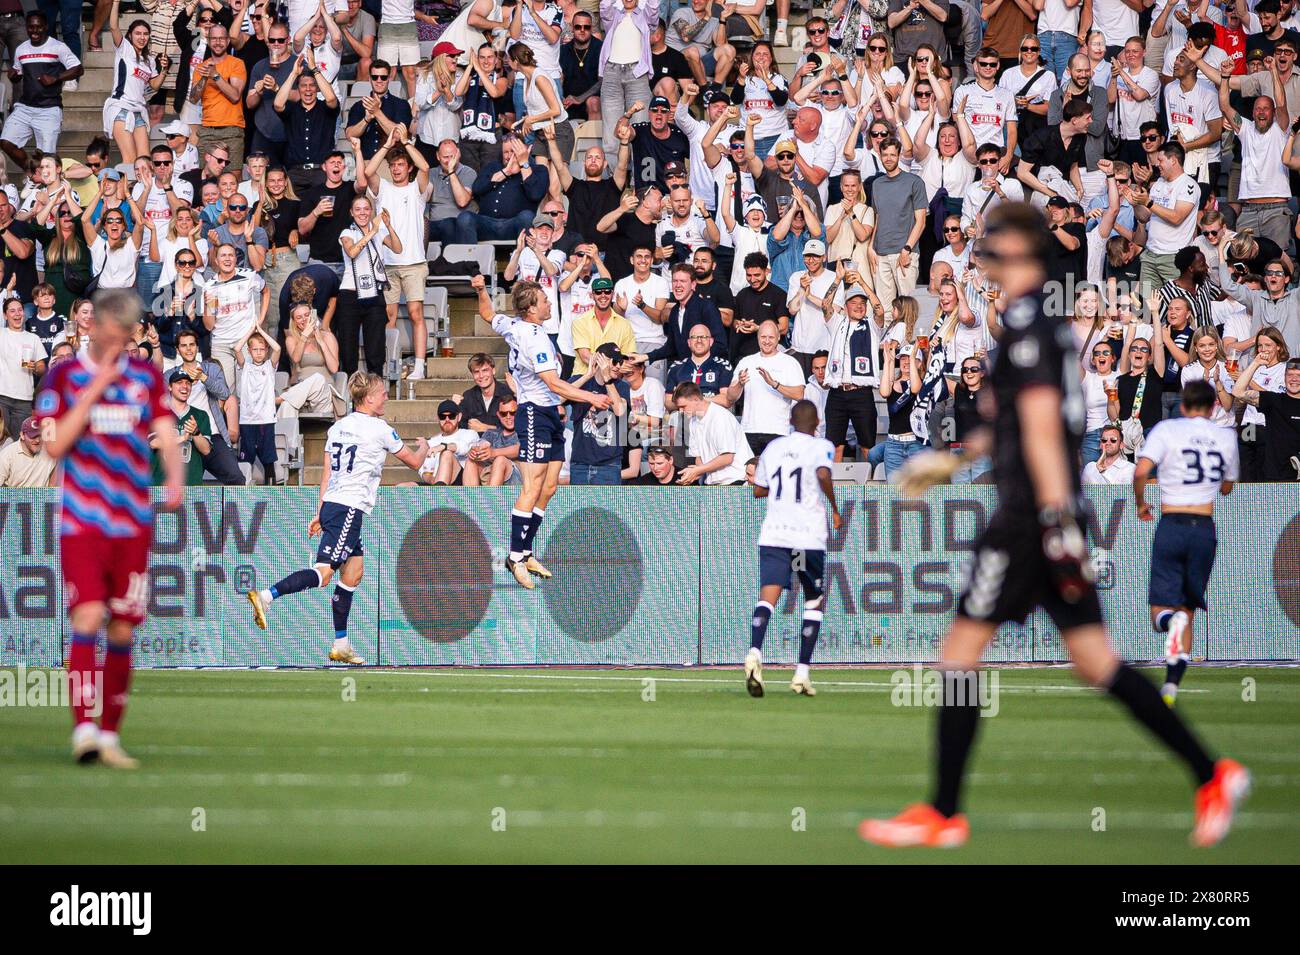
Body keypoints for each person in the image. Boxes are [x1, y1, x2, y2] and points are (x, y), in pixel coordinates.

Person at [860, 203, 1249, 850]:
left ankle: (943, 812)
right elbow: (1019, 423)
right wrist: (953, 459)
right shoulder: (1040, 324)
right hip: (1046, 513)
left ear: (1026, 258)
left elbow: (1041, 429)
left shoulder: (1027, 325)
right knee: (1095, 662)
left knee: (960, 652)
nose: (984, 266)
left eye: (993, 255)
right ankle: (1213, 773)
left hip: (1028, 518)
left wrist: (1054, 517)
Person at [37, 289, 182, 768]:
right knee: (88, 617)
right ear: (94, 327)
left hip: (133, 521)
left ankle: (110, 736)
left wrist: (175, 476)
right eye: (115, 335)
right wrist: (96, 387)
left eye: (129, 336)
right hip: (83, 520)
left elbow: (165, 426)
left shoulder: (144, 375)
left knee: (122, 628)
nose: (122, 344)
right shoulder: (64, 376)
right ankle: (83, 729)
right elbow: (54, 446)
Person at [247, 371, 428, 662]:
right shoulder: (380, 428)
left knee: (354, 572)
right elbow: (416, 462)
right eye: (382, 392)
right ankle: (267, 596)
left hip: (335, 504)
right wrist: (427, 446)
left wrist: (320, 510)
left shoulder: (338, 427)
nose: (385, 397)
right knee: (324, 574)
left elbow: (328, 472)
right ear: (368, 398)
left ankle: (341, 644)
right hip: (350, 508)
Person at [473, 272, 612, 589]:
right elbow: (551, 383)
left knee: (549, 488)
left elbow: (487, 313)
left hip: (550, 413)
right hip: (534, 413)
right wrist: (591, 395)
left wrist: (481, 289)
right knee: (532, 486)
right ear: (532, 308)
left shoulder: (515, 326)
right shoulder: (534, 339)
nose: (550, 302)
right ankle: (515, 557)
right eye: (545, 299)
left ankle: (526, 550)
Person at [1134, 380, 1239, 708]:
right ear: (1213, 407)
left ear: (1183, 405)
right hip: (1204, 528)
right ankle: (1171, 687)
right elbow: (1228, 485)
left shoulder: (1167, 429)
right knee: (1187, 610)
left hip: (1173, 523)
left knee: (1160, 613)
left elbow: (1140, 472)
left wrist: (1140, 503)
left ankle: (1169, 623)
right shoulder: (1226, 436)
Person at [745, 399, 841, 698]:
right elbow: (823, 475)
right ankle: (801, 672)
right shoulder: (822, 445)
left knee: (768, 596)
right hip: (807, 535)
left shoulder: (773, 449)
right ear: (817, 422)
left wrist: (782, 488)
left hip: (775, 532)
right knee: (813, 601)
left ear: (790, 419)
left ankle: (754, 651)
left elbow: (759, 490)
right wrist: (835, 508)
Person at [359, 127, 432, 380]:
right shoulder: (384, 190)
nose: (396, 169)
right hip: (387, 263)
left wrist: (408, 142)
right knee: (387, 315)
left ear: (407, 167)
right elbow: (368, 172)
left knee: (415, 313)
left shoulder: (416, 190)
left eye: (401, 165)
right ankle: (388, 366)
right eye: (394, 165)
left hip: (414, 262)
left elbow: (425, 168)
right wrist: (388, 146)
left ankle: (420, 366)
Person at [1, 13, 83, 171]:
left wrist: (56, 78)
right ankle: (32, 173)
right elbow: (18, 74)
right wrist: (13, 76)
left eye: (38, 26)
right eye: (31, 27)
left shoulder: (58, 47)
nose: (35, 30)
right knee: (6, 142)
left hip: (49, 109)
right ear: (26, 27)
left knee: (47, 158)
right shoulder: (21, 49)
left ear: (45, 27)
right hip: (25, 107)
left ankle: (43, 180)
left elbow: (78, 69)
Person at [335, 193, 398, 376]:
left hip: (374, 294)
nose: (362, 213)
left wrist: (388, 226)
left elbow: (398, 248)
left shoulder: (378, 232)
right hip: (350, 294)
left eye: (366, 209)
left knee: (376, 347)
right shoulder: (347, 233)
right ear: (351, 213)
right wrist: (372, 232)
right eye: (358, 209)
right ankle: (351, 395)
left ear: (371, 211)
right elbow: (353, 252)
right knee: (348, 348)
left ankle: (376, 390)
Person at [724, 319, 804, 456]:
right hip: (749, 430)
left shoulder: (790, 363)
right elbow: (730, 397)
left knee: (774, 475)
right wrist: (740, 384)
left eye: (771, 337)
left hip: (778, 431)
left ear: (779, 338)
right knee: (749, 475)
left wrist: (774, 384)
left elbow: (799, 394)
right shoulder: (746, 361)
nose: (767, 341)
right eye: (763, 337)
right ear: (757, 338)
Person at [103, 13, 168, 167]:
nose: (142, 37)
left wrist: (164, 70)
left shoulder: (150, 60)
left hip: (139, 111)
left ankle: (140, 191)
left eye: (145, 34)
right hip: (121, 108)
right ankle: (126, 191)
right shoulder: (124, 49)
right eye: (138, 33)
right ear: (130, 36)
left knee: (145, 162)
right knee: (130, 161)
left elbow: (155, 85)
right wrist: (116, 2)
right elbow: (113, 26)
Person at [599, 0, 657, 160]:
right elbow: (604, 6)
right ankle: (614, 181)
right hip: (611, 72)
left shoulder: (645, 16)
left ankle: (640, 182)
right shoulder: (613, 15)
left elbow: (653, 8)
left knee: (640, 130)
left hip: (637, 73)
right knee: (611, 133)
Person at [1232, 353, 1300, 481]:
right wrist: (1256, 363)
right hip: (1275, 476)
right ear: (1284, 378)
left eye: (1298, 375)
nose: (1294, 379)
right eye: (1290, 375)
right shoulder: (1274, 400)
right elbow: (1238, 392)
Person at [190, 23, 247, 169]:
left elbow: (235, 96)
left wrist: (215, 75)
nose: (218, 42)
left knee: (233, 178)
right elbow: (194, 98)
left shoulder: (237, 64)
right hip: (207, 130)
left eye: (221, 38)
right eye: (214, 39)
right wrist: (204, 77)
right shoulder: (201, 67)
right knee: (206, 177)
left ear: (228, 41)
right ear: (208, 41)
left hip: (232, 130)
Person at [673, 379, 750, 485]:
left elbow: (727, 458)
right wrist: (693, 474)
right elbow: (699, 458)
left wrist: (697, 471)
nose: (681, 411)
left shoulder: (720, 417)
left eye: (683, 406)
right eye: (678, 408)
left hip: (735, 479)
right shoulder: (692, 421)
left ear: (696, 399)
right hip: (713, 482)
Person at [0, 414, 55, 487]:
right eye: (33, 436)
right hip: (14, 497)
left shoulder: (50, 452)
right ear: (22, 435)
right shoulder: (7, 455)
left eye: (40, 436)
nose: (37, 440)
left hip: (42, 497)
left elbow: (54, 485)